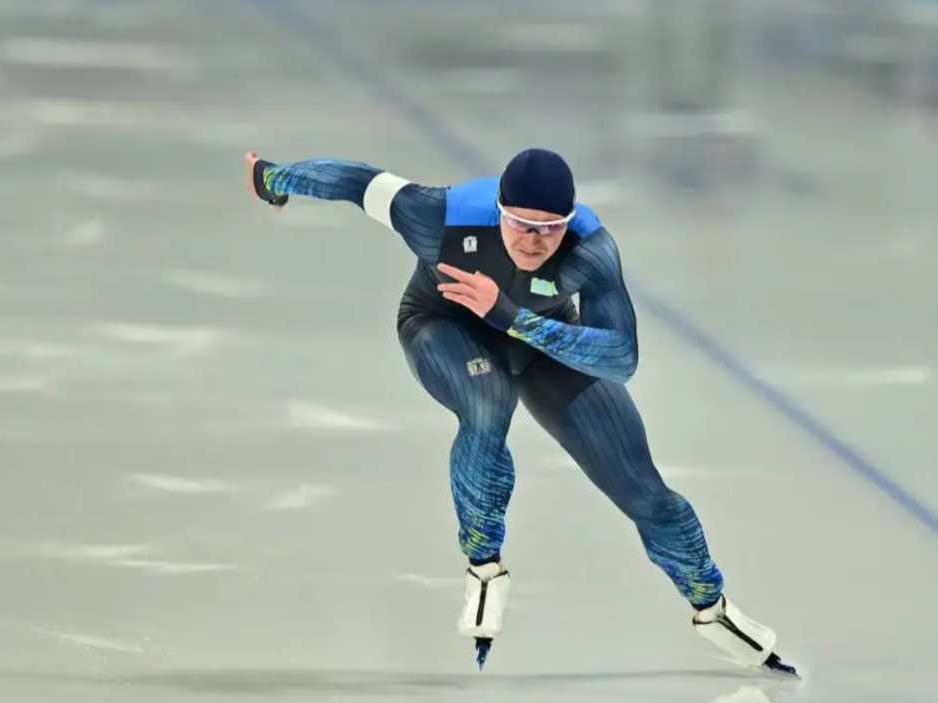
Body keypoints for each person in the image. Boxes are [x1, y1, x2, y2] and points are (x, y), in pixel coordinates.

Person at [242, 147, 796, 676]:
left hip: (538, 337)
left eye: (549, 228)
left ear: (568, 222)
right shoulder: (442, 215)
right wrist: (272, 179)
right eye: (521, 224)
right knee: (488, 402)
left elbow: (621, 358)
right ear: (499, 211)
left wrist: (512, 317)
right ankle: (485, 565)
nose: (534, 240)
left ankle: (712, 606)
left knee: (645, 491)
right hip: (442, 324)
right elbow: (355, 181)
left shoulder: (590, 248)